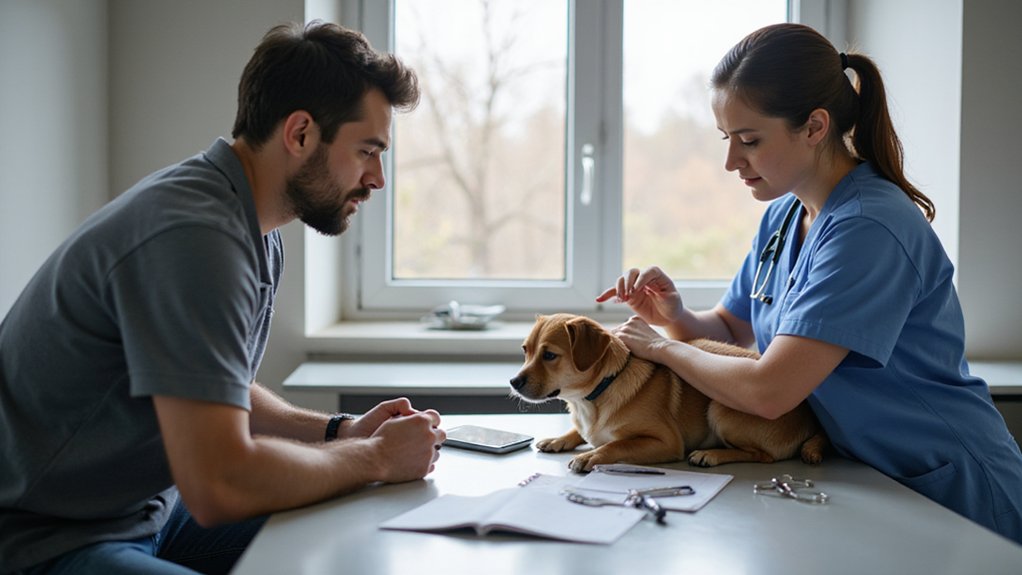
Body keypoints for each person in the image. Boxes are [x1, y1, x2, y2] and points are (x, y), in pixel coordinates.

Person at [0, 21, 446, 574]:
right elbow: (220, 484)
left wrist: (342, 432)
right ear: (301, 133)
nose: (378, 178)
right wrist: (375, 455)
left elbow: (213, 383)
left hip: (147, 512)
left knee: (361, 521)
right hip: (48, 539)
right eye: (368, 150)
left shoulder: (251, 225)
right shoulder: (194, 236)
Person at [597, 23, 1022, 544]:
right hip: (872, 479)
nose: (731, 161)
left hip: (951, 487)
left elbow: (770, 390)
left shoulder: (868, 228)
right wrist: (674, 318)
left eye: (749, 140)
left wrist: (660, 350)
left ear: (815, 127)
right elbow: (733, 329)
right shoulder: (785, 217)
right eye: (727, 140)